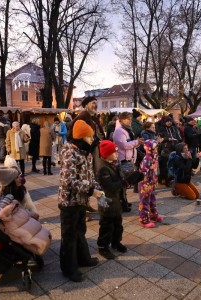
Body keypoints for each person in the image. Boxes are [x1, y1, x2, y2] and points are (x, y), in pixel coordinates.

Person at [58, 120, 103, 282]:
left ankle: (83, 258)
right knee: (69, 236)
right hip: (69, 202)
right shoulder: (71, 152)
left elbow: (88, 175)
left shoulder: (85, 151)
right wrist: (91, 191)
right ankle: (69, 269)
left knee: (80, 231)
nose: (92, 139)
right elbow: (68, 181)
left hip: (81, 200)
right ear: (82, 137)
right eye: (90, 137)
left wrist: (96, 187)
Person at [96, 140, 143, 259]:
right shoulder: (103, 169)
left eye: (117, 151)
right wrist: (126, 181)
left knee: (118, 225)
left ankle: (116, 242)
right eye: (114, 151)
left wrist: (131, 178)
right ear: (106, 154)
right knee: (107, 226)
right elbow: (110, 187)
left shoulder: (113, 164)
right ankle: (103, 247)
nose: (117, 153)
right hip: (107, 202)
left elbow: (120, 180)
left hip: (116, 201)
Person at [113, 112, 144, 194]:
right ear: (122, 120)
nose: (129, 121)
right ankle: (123, 202)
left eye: (130, 119)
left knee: (127, 183)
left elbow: (131, 145)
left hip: (129, 160)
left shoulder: (128, 130)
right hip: (123, 160)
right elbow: (124, 145)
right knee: (124, 183)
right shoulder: (119, 131)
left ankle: (124, 201)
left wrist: (137, 142)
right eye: (127, 119)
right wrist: (136, 142)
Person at [138, 139, 163, 228]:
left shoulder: (154, 157)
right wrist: (147, 184)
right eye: (155, 147)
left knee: (152, 199)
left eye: (156, 147)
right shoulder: (147, 159)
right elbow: (143, 173)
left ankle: (153, 215)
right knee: (144, 201)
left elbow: (155, 171)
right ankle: (144, 220)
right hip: (145, 184)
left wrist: (154, 181)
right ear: (149, 148)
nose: (156, 149)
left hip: (152, 182)